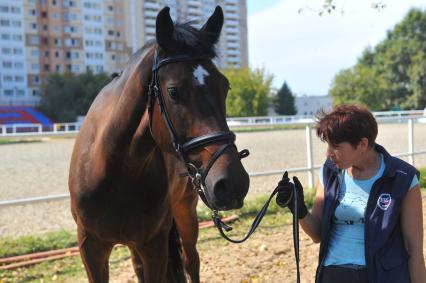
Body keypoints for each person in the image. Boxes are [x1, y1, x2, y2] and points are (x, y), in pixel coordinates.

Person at [276, 104, 426, 283]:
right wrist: (298, 208)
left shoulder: (403, 178)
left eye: (336, 146)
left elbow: (414, 249)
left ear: (362, 144)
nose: (328, 153)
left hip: (383, 277)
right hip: (333, 274)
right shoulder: (329, 173)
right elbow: (317, 234)